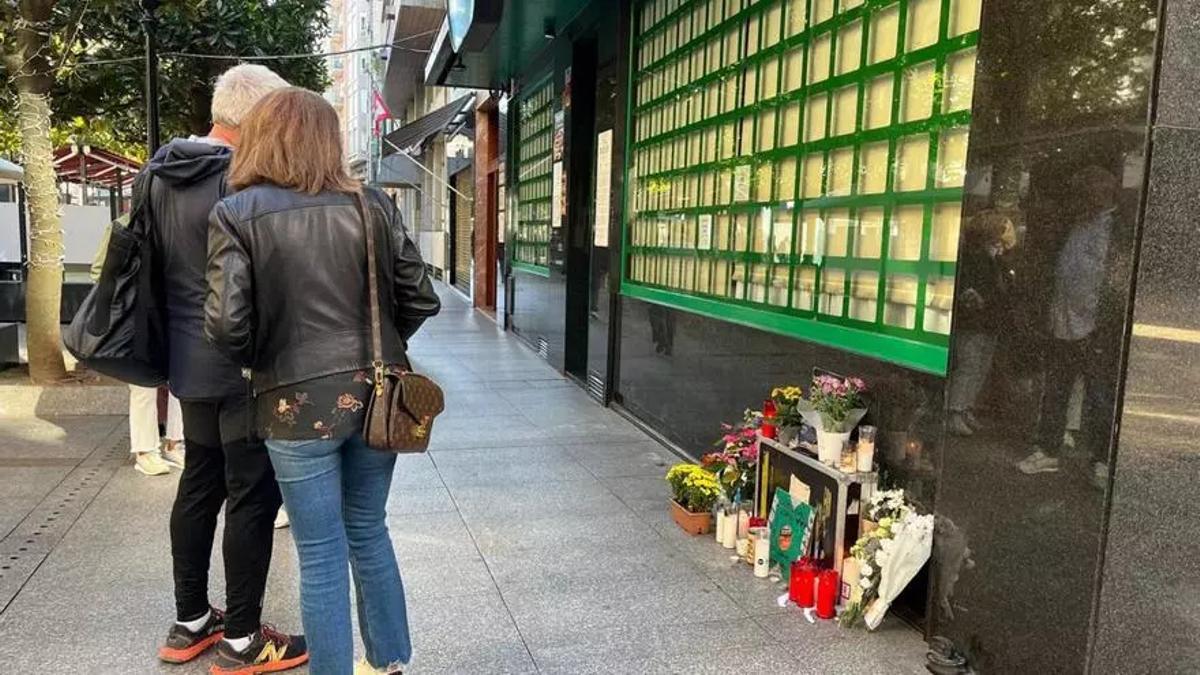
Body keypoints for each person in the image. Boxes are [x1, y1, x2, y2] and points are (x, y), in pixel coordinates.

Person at [205, 87, 440, 675]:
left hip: (291, 405)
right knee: (369, 529)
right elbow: (420, 296)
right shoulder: (373, 204)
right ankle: (389, 664)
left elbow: (227, 324)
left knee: (319, 551)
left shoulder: (236, 213)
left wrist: (268, 359)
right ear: (328, 141)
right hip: (378, 397)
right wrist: (382, 343)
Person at [145, 64, 307, 672]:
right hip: (243, 362)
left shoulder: (161, 173)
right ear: (261, 116)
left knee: (198, 481)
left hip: (187, 359)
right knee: (251, 496)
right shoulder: (247, 181)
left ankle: (190, 621)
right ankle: (242, 638)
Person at [1016, 166, 1120, 489]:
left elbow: (1111, 281)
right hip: (1064, 320)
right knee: (1057, 389)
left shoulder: (1115, 230)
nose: (1081, 200)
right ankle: (1048, 448)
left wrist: (1098, 318)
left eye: (1086, 193)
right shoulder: (1078, 225)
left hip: (1093, 326)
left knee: (1099, 396)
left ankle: (1102, 459)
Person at [91, 216, 186, 474]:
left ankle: (175, 443)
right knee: (143, 384)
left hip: (173, 312)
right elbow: (99, 271)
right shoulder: (123, 225)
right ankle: (145, 451)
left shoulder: (176, 220)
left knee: (180, 381)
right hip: (136, 316)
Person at [946, 210, 1016, 436]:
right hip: (975, 322)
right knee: (970, 365)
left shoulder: (994, 258)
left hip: (987, 321)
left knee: (978, 366)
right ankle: (955, 411)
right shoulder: (974, 257)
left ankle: (964, 408)